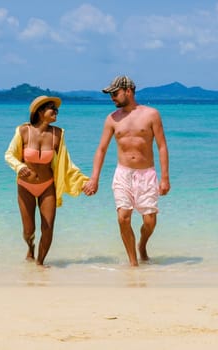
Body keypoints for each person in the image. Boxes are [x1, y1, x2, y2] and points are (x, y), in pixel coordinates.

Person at [83, 76, 170, 266]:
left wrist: (164, 178)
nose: (112, 98)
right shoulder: (112, 119)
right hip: (123, 174)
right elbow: (101, 149)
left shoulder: (151, 114)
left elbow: (162, 146)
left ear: (128, 91)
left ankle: (142, 245)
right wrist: (94, 179)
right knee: (123, 218)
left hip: (146, 174)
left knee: (150, 222)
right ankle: (133, 264)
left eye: (115, 93)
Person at [5, 95, 89, 266]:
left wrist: (83, 181)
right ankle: (30, 248)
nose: (56, 112)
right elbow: (9, 154)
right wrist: (19, 167)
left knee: (48, 227)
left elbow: (66, 162)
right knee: (29, 231)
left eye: (57, 109)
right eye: (53, 109)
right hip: (25, 186)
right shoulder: (23, 131)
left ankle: (40, 263)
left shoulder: (57, 134)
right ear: (40, 111)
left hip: (47, 186)